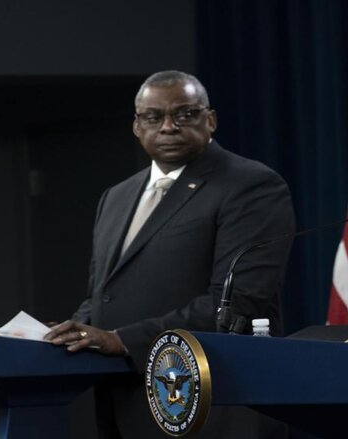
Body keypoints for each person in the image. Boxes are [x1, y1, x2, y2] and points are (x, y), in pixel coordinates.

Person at [44, 71, 295, 439]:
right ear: (136, 125)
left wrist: (120, 338)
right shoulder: (116, 197)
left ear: (210, 120)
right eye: (153, 116)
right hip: (127, 402)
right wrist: (72, 332)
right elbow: (104, 293)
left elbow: (238, 303)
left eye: (185, 114)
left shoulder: (251, 185)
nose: (168, 127)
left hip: (210, 404)